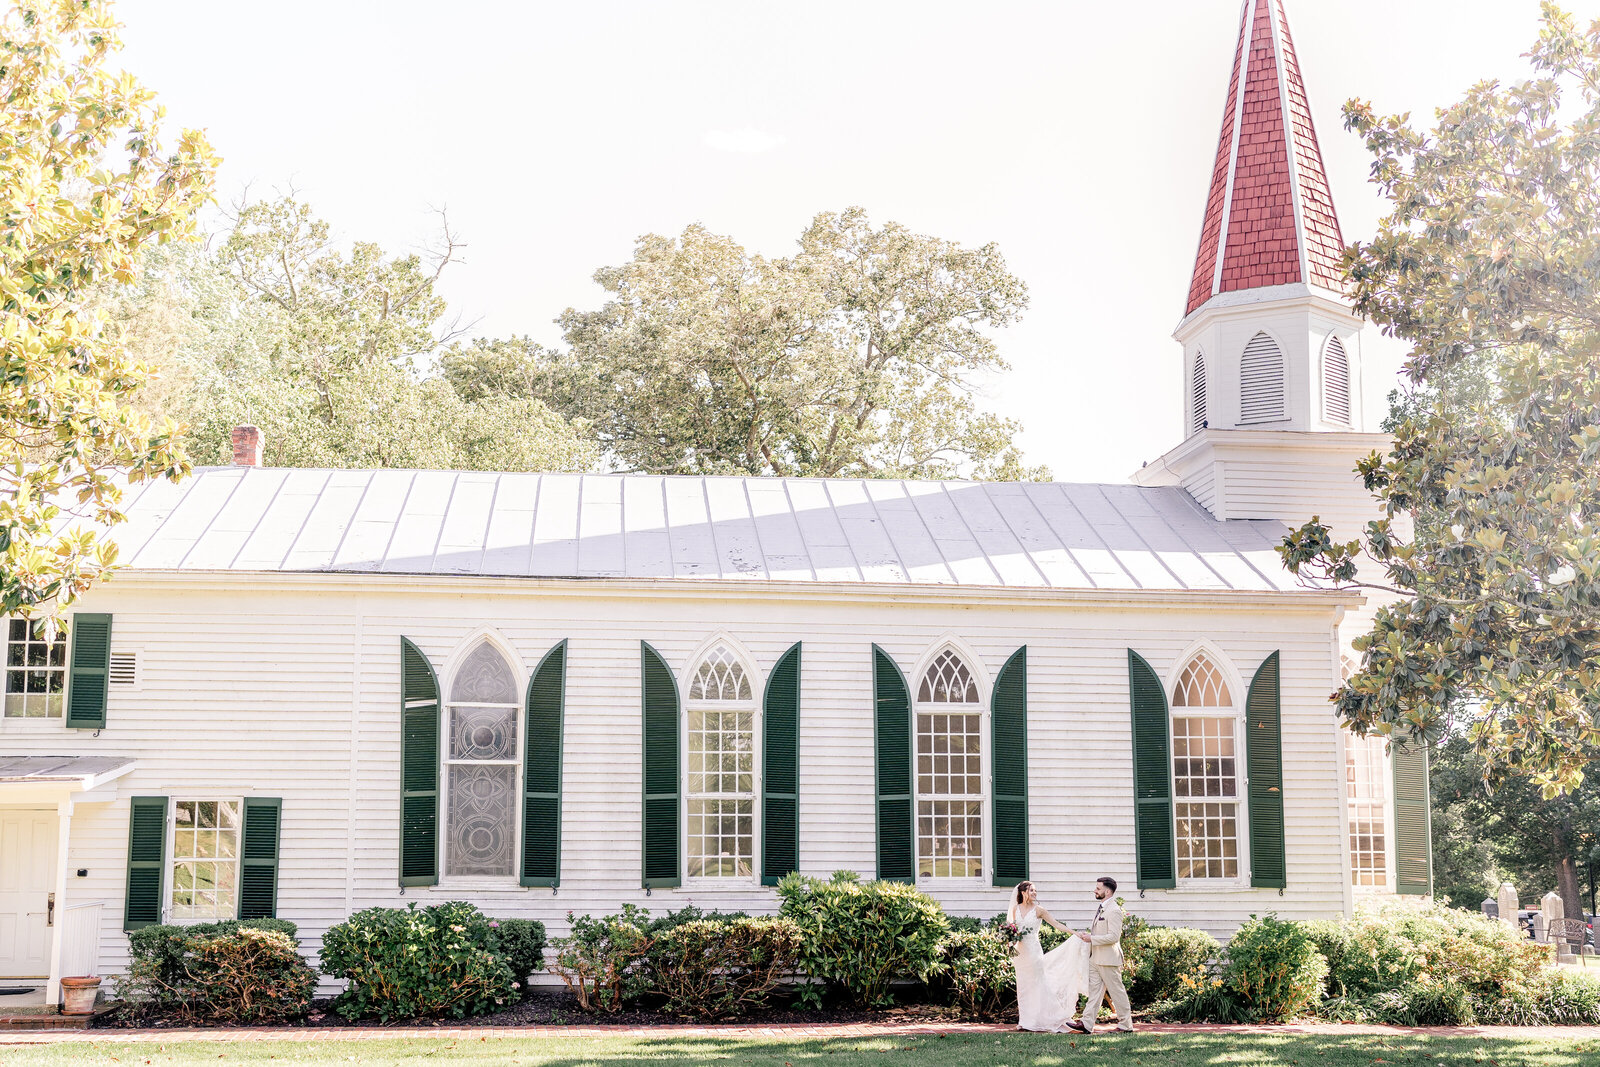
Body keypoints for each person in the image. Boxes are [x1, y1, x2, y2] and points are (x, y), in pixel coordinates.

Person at [1008, 880, 1091, 1032]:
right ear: (1023, 892)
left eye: (1035, 890)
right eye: (1031, 890)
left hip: (1033, 952)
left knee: (1038, 985)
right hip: (1020, 954)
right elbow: (1011, 930)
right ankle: (1026, 1021)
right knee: (1024, 987)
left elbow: (1057, 924)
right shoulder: (1015, 909)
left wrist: (1075, 933)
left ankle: (1047, 1018)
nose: (1034, 893)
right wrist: (1009, 943)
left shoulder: (1039, 910)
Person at [1064, 876, 1135, 1034]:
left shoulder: (1114, 910)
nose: (1095, 890)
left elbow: (1114, 937)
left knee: (1117, 992)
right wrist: (1089, 936)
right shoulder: (1103, 907)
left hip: (1109, 959)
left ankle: (1126, 1025)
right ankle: (1086, 1024)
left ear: (1107, 891)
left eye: (1098, 888)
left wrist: (1092, 939)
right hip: (1095, 958)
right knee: (1094, 993)